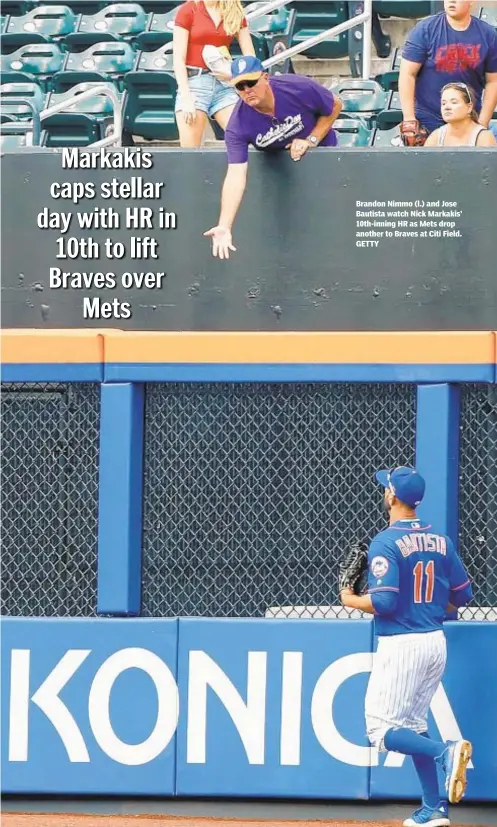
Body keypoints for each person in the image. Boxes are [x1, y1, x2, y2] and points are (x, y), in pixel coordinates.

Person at [340, 466, 474, 827]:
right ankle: (433, 808)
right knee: (412, 725)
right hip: (434, 641)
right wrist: (429, 607)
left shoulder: (385, 541)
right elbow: (462, 596)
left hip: (402, 644)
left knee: (380, 731)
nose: (385, 491)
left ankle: (444, 752)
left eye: (387, 487)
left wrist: (349, 598)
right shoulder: (441, 540)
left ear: (392, 497)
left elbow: (383, 602)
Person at [204, 56, 342, 259]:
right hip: (285, 183)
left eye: (251, 82)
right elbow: (235, 175)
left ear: (265, 78)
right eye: (239, 87)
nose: (247, 90)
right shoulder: (237, 125)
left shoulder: (297, 87)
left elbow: (335, 105)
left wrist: (311, 139)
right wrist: (225, 224)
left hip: (324, 166)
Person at [399, 0, 497, 144]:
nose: (451, 1)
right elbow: (407, 74)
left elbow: (493, 81)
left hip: (467, 117)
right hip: (428, 117)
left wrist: (482, 123)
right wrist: (409, 118)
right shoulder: (425, 29)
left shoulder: (488, 35)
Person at [173, 0, 255, 148]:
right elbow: (178, 58)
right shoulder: (188, 9)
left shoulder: (234, 10)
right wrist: (186, 97)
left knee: (245, 139)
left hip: (224, 84)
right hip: (194, 84)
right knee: (190, 153)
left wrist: (234, 74)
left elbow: (250, 57)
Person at [425, 82, 497, 146]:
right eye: (443, 103)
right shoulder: (436, 137)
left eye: (454, 102)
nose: (446, 107)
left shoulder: (484, 137)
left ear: (469, 107)